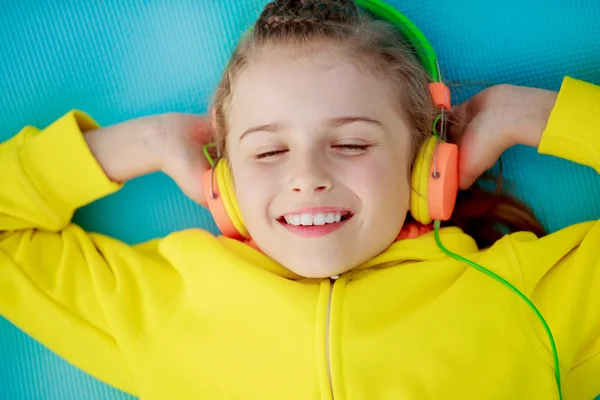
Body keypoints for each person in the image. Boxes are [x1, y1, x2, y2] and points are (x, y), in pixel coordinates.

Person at [1, 0, 598, 399]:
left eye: (350, 142)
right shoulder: (160, 304)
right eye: (266, 152)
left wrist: (535, 116)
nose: (306, 176)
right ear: (224, 181)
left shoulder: (529, 297)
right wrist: (143, 142)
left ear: (426, 164)